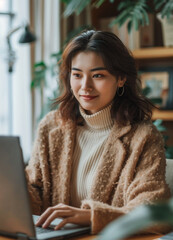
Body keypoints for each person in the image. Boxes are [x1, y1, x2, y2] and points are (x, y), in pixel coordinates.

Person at [25, 30, 171, 234]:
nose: (85, 86)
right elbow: (33, 188)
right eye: (77, 75)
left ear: (120, 79)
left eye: (98, 75)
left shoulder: (143, 137)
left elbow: (151, 213)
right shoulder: (51, 127)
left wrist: (92, 216)